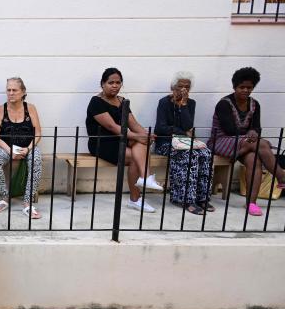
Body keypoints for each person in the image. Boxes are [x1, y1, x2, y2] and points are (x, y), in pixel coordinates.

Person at [208, 67, 285, 216]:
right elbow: (229, 129)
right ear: (234, 87)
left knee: (253, 159)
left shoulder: (254, 104)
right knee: (261, 143)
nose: (245, 90)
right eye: (241, 87)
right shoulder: (224, 104)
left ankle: (251, 203)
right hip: (222, 141)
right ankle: (281, 176)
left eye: (249, 88)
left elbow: (256, 126)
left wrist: (254, 132)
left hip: (245, 142)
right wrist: (252, 136)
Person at [86, 67, 163, 213]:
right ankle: (139, 192)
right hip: (102, 142)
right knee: (136, 153)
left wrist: (146, 135)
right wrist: (138, 136)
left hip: (122, 139)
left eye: (118, 82)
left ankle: (144, 182)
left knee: (140, 142)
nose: (115, 85)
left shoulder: (123, 101)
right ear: (102, 84)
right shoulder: (96, 102)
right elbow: (113, 127)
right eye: (110, 82)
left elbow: (134, 124)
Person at [154, 72, 214, 215]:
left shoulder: (191, 104)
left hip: (186, 142)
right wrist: (181, 131)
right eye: (180, 86)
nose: (183, 90)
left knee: (206, 154)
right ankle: (184, 199)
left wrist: (184, 105)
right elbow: (160, 128)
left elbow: (188, 125)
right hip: (166, 143)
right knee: (188, 155)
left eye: (186, 87)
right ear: (172, 87)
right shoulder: (164, 102)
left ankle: (202, 198)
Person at [0, 77, 43, 219]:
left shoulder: (30, 108)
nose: (11, 93)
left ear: (23, 92)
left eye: (15, 90)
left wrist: (28, 149)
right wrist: (10, 150)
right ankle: (5, 197)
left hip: (27, 147)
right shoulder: (0, 110)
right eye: (8, 90)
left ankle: (27, 203)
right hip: (7, 147)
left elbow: (38, 133)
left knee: (36, 159)